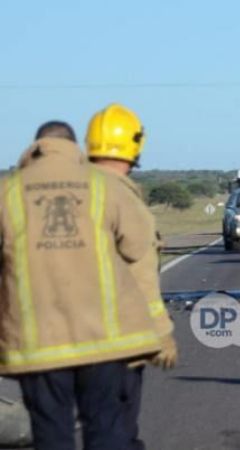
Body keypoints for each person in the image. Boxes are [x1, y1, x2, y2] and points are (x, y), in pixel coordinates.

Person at [1, 121, 167, 449]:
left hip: (38, 344)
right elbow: (138, 248)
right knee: (106, 427)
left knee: (51, 433)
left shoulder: (8, 192)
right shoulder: (105, 187)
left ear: (35, 148)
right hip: (102, 338)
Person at [85, 103, 178, 448]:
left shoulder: (65, 195)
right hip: (115, 337)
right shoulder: (124, 199)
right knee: (115, 428)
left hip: (59, 337)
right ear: (134, 145)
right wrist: (161, 332)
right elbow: (142, 274)